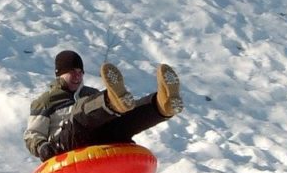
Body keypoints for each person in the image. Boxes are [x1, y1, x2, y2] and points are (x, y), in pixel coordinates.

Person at [24, 50, 183, 161]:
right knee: (80, 115)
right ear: (60, 74)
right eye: (72, 71)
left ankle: (162, 105)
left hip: (96, 142)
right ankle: (111, 101)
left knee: (122, 120)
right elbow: (32, 134)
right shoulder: (46, 101)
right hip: (63, 147)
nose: (77, 76)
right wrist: (42, 147)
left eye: (80, 72)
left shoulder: (90, 93)